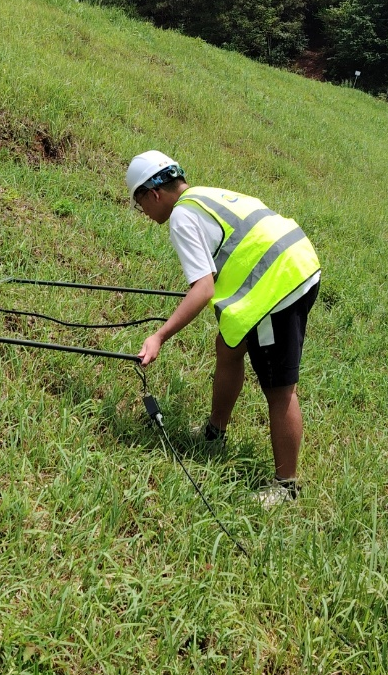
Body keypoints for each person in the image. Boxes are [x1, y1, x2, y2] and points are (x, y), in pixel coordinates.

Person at [125, 151, 321, 507]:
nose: (144, 214)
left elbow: (203, 289)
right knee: (227, 347)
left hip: (278, 285)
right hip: (294, 260)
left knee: (279, 388)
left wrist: (159, 336)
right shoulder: (203, 195)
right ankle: (215, 432)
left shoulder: (181, 218)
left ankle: (286, 486)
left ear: (152, 194)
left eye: (140, 205)